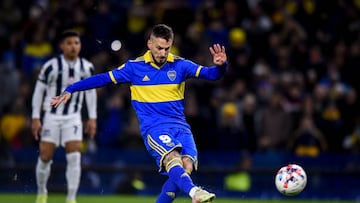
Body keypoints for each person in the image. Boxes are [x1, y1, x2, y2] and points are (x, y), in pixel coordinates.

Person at [51, 24, 227, 203]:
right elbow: (103, 78)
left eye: (167, 48)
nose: (163, 53)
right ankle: (195, 193)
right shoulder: (134, 68)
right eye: (159, 48)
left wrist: (221, 66)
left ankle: (186, 192)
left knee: (185, 167)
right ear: (149, 44)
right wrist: (71, 89)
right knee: (172, 158)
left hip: (181, 128)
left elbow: (211, 75)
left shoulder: (180, 65)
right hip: (155, 128)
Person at [31, 30, 97, 203]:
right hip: (52, 117)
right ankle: (41, 192)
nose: (73, 46)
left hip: (73, 117)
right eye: (69, 43)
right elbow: (39, 92)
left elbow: (91, 93)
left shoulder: (86, 67)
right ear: (62, 46)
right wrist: (35, 117)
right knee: (45, 157)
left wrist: (92, 117)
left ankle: (71, 198)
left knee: (75, 156)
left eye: (76, 43)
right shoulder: (51, 66)